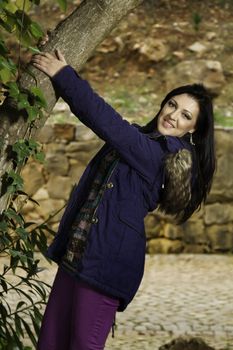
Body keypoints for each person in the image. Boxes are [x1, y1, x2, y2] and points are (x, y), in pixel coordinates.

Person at [32, 49, 215, 350]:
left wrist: (63, 75)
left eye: (185, 115)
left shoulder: (159, 154)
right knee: (49, 343)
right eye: (172, 104)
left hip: (107, 265)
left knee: (83, 345)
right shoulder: (141, 140)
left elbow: (105, 120)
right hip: (77, 255)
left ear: (192, 129)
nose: (172, 115)